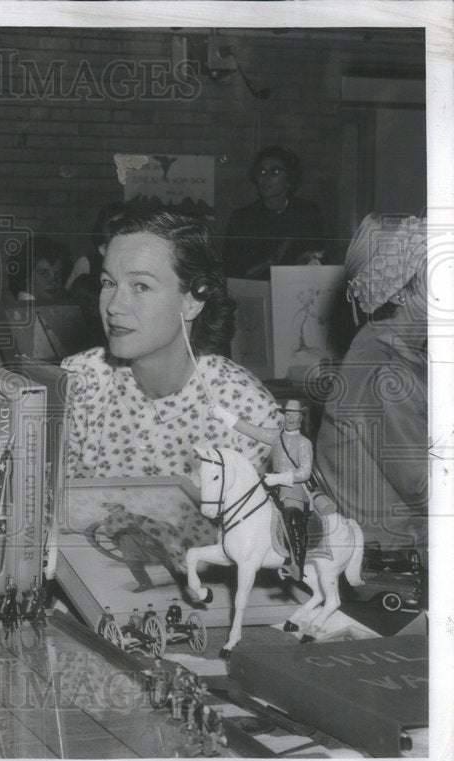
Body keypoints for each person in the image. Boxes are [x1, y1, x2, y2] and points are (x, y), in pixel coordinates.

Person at [62, 207, 280, 586]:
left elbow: (255, 555)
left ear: (193, 300)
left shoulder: (250, 413)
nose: (114, 306)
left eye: (141, 286)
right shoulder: (79, 383)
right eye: (108, 283)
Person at [315, 213, 428, 556]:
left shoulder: (382, 349)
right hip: (394, 559)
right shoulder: (385, 372)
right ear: (397, 294)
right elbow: (425, 488)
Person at [211, 399, 313, 580]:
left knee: (292, 517)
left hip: (293, 492)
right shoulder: (277, 436)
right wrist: (223, 414)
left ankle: (296, 566)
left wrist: (280, 478)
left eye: (294, 414)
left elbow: (305, 472)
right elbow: (251, 430)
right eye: (287, 414)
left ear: (301, 418)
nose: (289, 418)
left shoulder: (304, 442)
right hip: (272, 488)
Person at [222, 145, 327, 280]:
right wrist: (271, 261)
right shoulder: (241, 218)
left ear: (289, 179)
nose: (266, 178)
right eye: (262, 172)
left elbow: (317, 258)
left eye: (275, 172)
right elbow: (232, 272)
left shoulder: (307, 213)